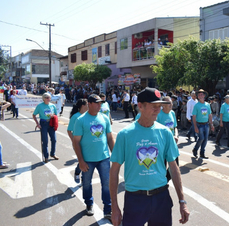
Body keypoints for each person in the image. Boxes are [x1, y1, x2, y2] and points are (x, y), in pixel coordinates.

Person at [109, 87, 189, 226]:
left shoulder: (165, 133)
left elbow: (174, 168)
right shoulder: (125, 134)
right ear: (140, 106)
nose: (158, 110)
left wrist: (182, 201)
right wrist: (114, 207)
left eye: (160, 106)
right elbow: (114, 171)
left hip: (161, 199)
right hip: (135, 200)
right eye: (154, 106)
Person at [73, 94, 114, 218]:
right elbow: (76, 142)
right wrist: (81, 161)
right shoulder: (81, 120)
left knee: (107, 184)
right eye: (96, 103)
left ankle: (108, 209)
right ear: (89, 104)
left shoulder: (104, 118)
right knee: (86, 183)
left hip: (104, 158)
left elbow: (110, 138)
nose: (99, 105)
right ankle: (89, 203)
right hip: (87, 160)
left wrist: (116, 155)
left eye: (100, 103)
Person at [67, 98, 88, 183]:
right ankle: (78, 173)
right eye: (87, 104)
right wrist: (74, 141)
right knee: (83, 159)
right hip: (78, 143)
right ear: (83, 106)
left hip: (87, 143)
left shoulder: (88, 115)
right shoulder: (75, 117)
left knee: (87, 160)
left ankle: (83, 177)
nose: (89, 106)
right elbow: (69, 130)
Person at [32, 93, 58, 163]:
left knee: (54, 139)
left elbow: (56, 114)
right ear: (43, 98)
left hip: (51, 123)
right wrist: (37, 124)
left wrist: (53, 116)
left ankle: (52, 154)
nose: (48, 99)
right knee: (45, 141)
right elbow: (34, 115)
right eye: (46, 97)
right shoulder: (40, 106)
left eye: (49, 97)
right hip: (43, 123)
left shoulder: (52, 105)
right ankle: (46, 156)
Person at [192, 89, 214, 159]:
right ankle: (195, 149)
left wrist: (211, 124)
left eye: (202, 94)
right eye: (199, 95)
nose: (200, 96)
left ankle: (202, 153)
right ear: (197, 97)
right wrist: (195, 127)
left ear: (204, 96)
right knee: (201, 138)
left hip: (206, 124)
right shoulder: (196, 105)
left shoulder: (207, 104)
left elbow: (210, 115)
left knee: (205, 139)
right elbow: (194, 116)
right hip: (199, 124)